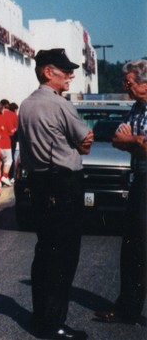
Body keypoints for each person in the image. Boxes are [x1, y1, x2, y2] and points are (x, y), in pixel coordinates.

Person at [18, 48, 94, 340]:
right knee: (63, 256)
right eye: (65, 70)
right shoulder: (60, 105)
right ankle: (54, 324)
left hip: (38, 182)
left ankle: (41, 317)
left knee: (45, 251)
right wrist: (77, 146)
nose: (72, 75)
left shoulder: (25, 104)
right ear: (48, 72)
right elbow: (85, 140)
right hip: (63, 183)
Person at [94, 59, 147, 326]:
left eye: (128, 83)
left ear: (144, 82)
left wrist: (133, 141)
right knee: (132, 247)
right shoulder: (136, 109)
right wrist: (135, 141)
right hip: (139, 180)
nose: (124, 87)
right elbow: (117, 139)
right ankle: (127, 307)